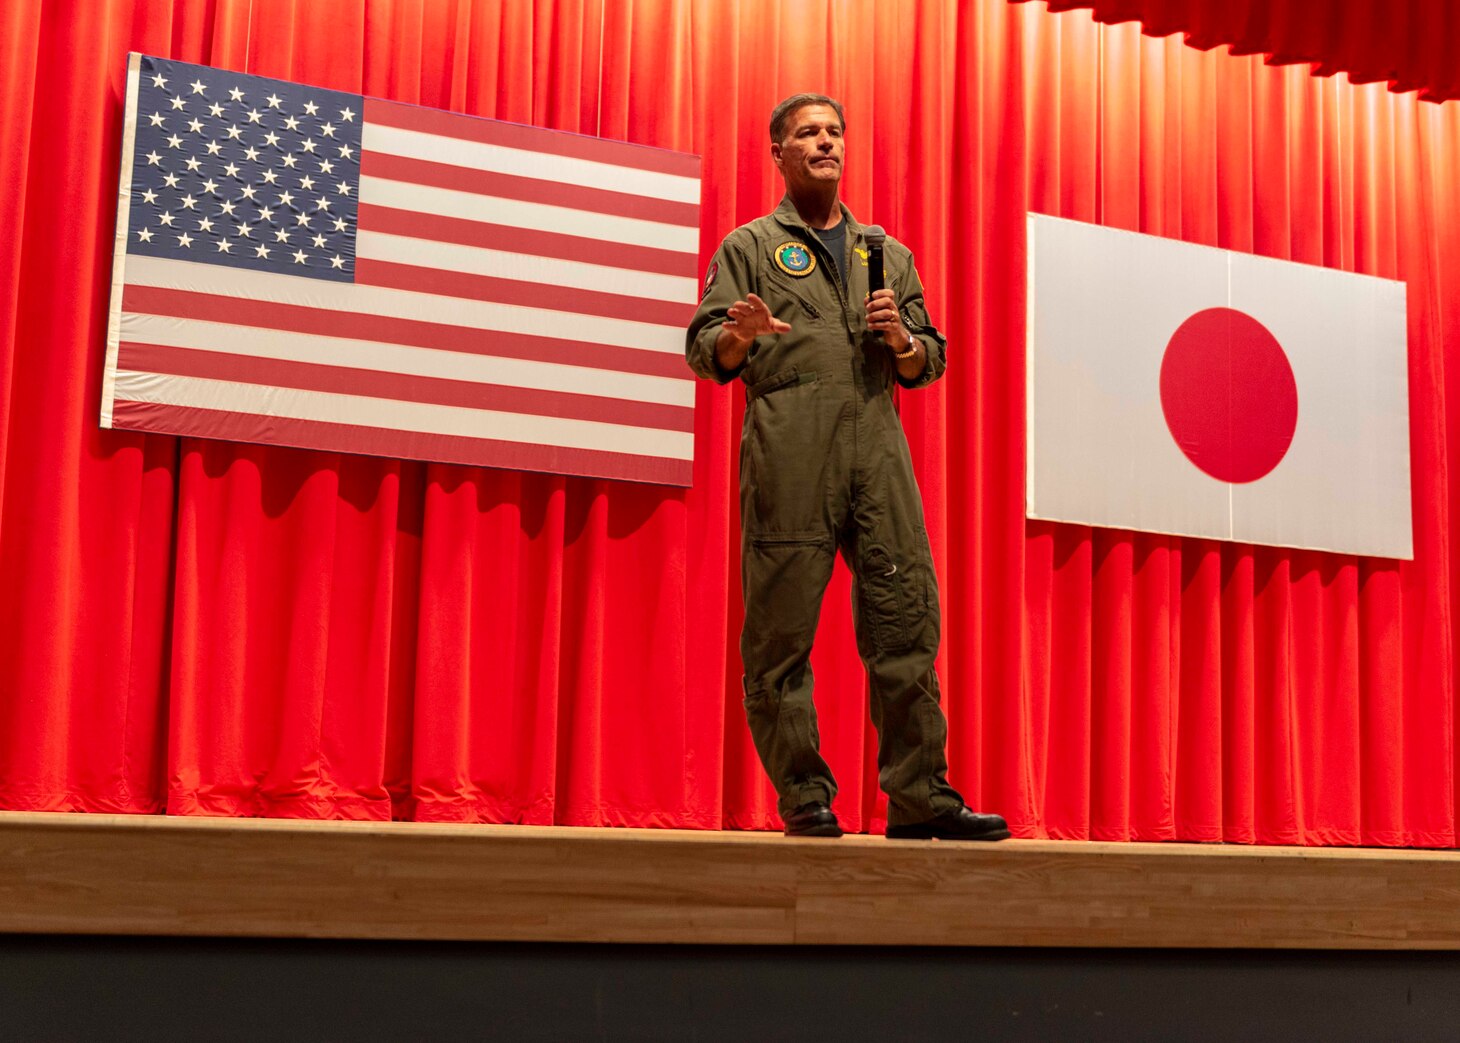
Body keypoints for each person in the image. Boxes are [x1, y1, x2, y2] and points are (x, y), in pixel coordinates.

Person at [685, 93, 1009, 841]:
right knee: (781, 635)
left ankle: (920, 794)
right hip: (791, 446)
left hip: (877, 446)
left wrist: (901, 340)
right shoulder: (751, 246)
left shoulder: (885, 251)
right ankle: (804, 795)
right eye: (806, 133)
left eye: (833, 131)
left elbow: (931, 358)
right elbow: (706, 350)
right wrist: (740, 336)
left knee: (905, 623)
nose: (824, 142)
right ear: (779, 153)